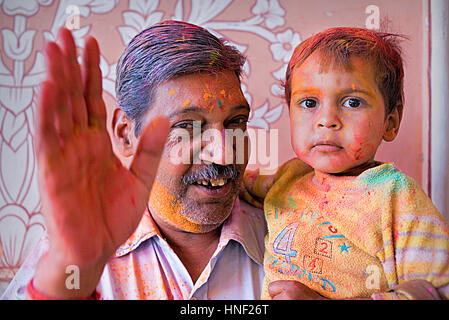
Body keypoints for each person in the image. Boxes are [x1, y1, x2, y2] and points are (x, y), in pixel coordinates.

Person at [2, 20, 267, 300]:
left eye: (236, 122)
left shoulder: (289, 237)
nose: (224, 153)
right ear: (125, 134)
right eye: (188, 126)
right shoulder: (74, 249)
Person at [242, 27, 449, 300]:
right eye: (308, 102)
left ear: (391, 121)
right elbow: (234, 184)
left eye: (352, 102)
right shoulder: (288, 178)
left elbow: (435, 291)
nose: (327, 120)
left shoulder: (396, 197)